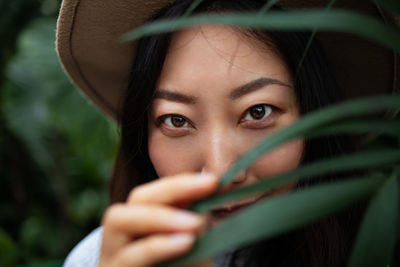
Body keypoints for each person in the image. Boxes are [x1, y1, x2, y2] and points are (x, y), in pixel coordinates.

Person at [56, 0, 397, 266]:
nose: (221, 172)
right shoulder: (98, 261)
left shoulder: (381, 249)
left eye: (257, 112)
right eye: (176, 120)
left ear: (316, 113)